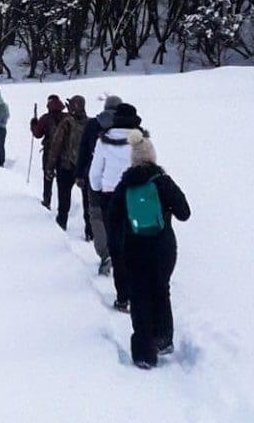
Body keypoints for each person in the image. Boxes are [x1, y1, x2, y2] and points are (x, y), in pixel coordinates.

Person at [109, 130, 191, 369]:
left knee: (140, 296)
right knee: (161, 290)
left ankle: (144, 353)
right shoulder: (163, 181)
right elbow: (185, 213)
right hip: (163, 247)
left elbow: (112, 218)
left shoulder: (125, 185)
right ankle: (163, 339)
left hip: (134, 249)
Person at [89, 102, 144, 312]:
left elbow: (95, 173)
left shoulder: (104, 140)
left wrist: (98, 190)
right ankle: (138, 291)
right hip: (136, 194)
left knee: (117, 245)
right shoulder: (140, 139)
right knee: (137, 244)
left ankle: (123, 297)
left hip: (111, 196)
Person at [76, 94, 122, 273]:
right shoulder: (125, 125)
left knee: (96, 216)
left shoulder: (93, 124)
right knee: (118, 217)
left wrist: (80, 173)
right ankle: (120, 251)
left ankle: (105, 253)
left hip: (94, 178)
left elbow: (83, 150)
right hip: (119, 181)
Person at [45, 95, 88, 230]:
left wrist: (50, 167)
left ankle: (61, 225)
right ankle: (90, 231)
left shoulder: (66, 122)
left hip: (65, 166)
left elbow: (56, 145)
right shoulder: (90, 123)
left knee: (64, 199)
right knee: (88, 201)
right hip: (85, 167)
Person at [29, 94, 66, 210]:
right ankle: (63, 205)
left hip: (49, 150)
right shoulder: (67, 117)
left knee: (48, 174)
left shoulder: (45, 118)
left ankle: (47, 200)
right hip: (64, 151)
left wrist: (33, 124)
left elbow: (38, 134)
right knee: (63, 178)